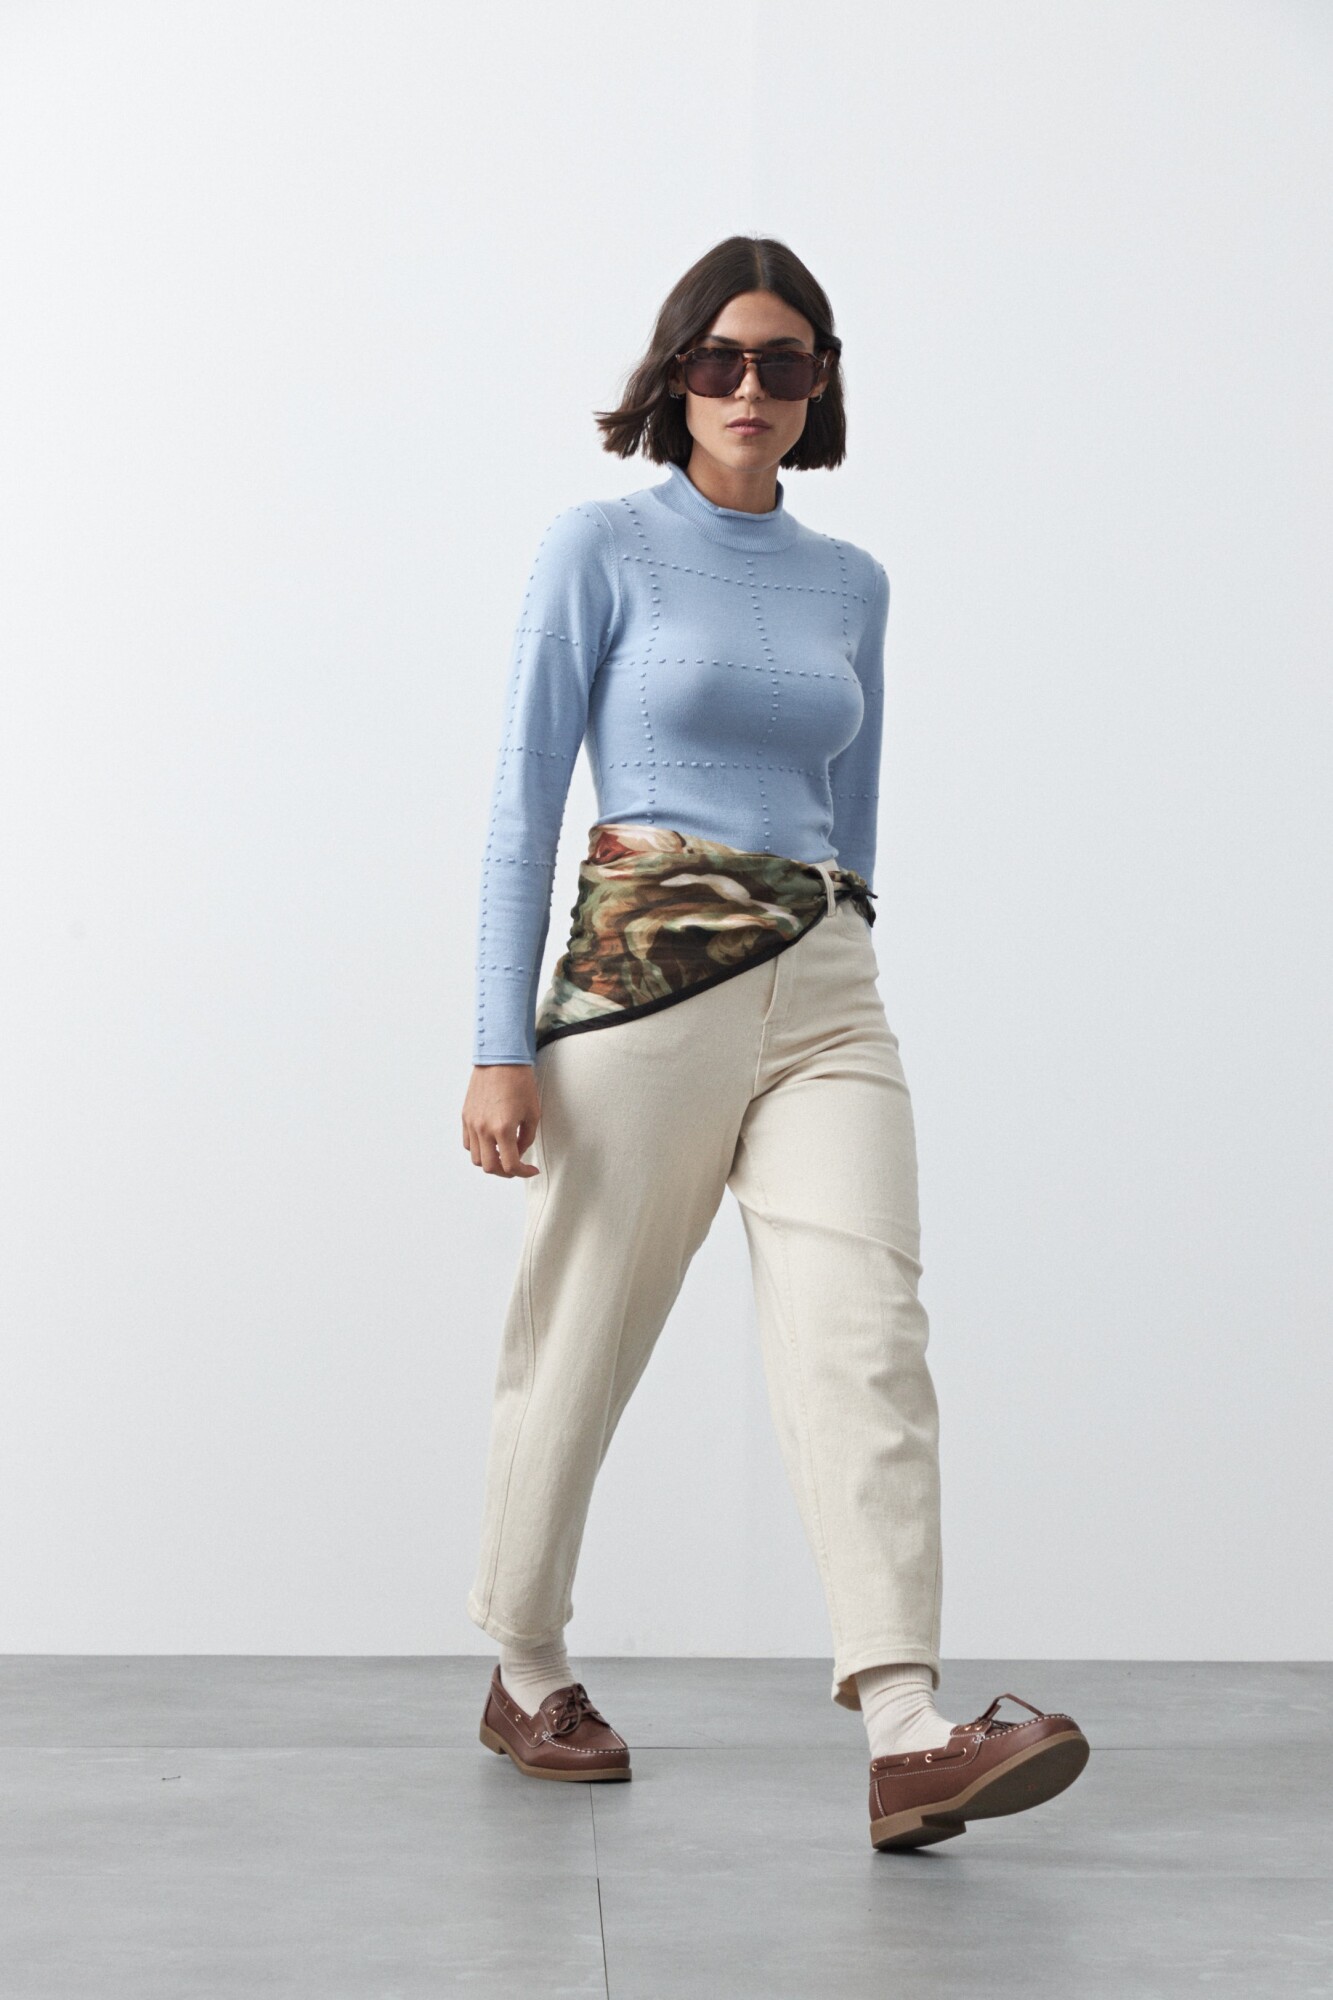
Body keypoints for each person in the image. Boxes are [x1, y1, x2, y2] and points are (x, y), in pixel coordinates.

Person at [460, 235, 1089, 1850]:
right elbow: (523, 801)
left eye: (786, 362)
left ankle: (904, 1725)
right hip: (645, 982)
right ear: (674, 375)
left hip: (822, 985)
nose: (752, 387)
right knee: (583, 1332)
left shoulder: (849, 582)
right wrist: (494, 1043)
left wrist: (844, 948)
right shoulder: (599, 546)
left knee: (864, 1331)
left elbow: (848, 816)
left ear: (820, 386)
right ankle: (525, 1665)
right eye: (722, 358)